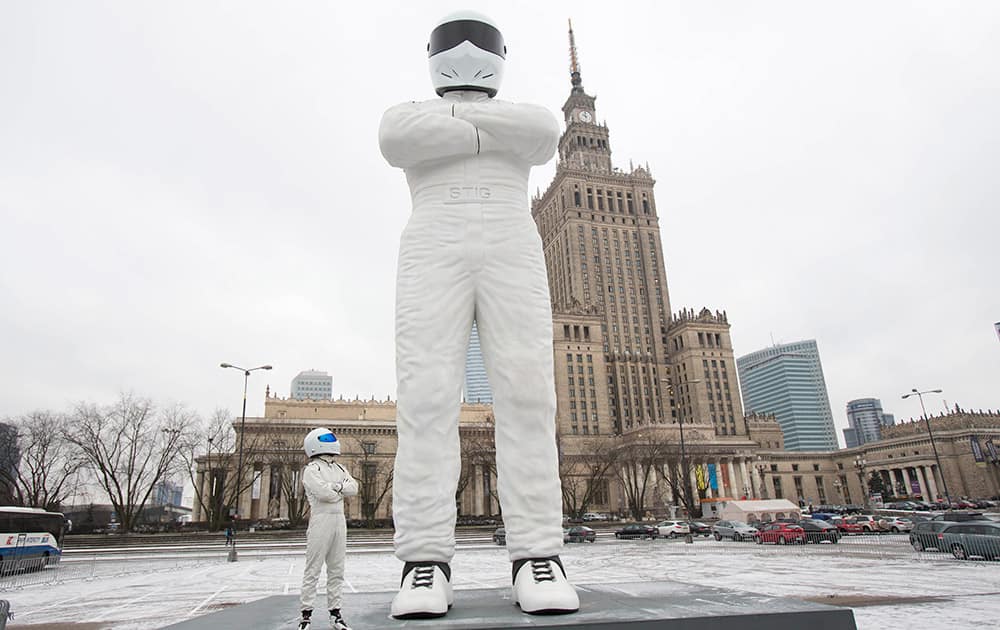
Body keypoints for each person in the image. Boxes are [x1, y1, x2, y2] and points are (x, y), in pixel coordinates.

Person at [379, 11, 578, 619]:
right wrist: (488, 130)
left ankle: (537, 555)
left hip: (512, 244)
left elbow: (544, 133)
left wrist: (455, 125)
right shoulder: (405, 114)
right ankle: (424, 562)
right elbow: (395, 141)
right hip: (432, 242)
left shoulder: (522, 115)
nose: (466, 56)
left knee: (528, 395)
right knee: (426, 397)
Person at [298, 428, 358, 630]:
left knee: (337, 569)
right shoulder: (311, 469)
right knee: (313, 569)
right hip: (321, 519)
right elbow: (324, 495)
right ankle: (306, 616)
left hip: (339, 520)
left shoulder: (340, 469)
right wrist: (340, 489)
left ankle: (336, 614)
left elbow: (354, 488)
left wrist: (336, 488)